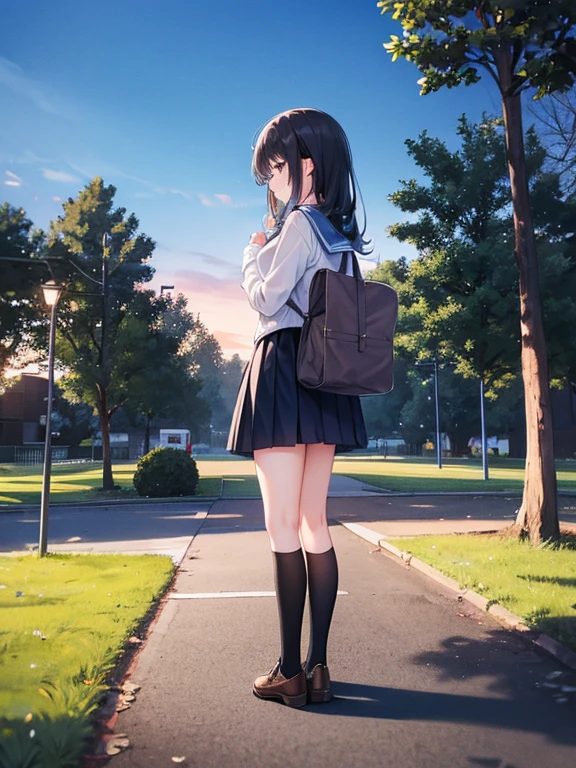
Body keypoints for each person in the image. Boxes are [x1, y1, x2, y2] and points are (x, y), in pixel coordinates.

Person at [226, 108, 373, 708]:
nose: (272, 180)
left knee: (282, 524)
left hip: (285, 369)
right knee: (315, 521)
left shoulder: (298, 228)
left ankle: (288, 670)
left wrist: (252, 252)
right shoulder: (341, 238)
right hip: (327, 379)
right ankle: (318, 667)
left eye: (277, 166)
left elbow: (266, 297)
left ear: (307, 165)